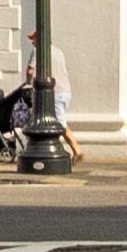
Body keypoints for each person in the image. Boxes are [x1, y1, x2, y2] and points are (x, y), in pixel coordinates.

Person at [24, 31, 82, 161]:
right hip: (66, 91)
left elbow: (30, 70)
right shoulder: (58, 51)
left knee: (60, 124)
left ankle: (76, 150)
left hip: (54, 93)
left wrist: (28, 82)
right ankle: (58, 146)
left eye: (34, 39)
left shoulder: (37, 51)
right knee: (55, 122)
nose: (32, 42)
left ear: (40, 40)